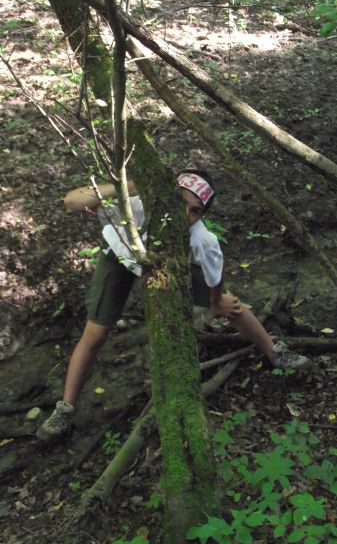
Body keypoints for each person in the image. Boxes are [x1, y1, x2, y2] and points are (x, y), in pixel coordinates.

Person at [37, 169, 312, 442]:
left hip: (170, 266)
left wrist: (216, 303)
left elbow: (214, 274)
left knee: (232, 306)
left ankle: (274, 352)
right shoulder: (135, 203)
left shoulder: (201, 239)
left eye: (194, 211)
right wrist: (133, 186)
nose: (185, 214)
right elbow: (72, 202)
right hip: (122, 256)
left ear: (202, 216)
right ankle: (66, 407)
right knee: (95, 333)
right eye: (180, 202)